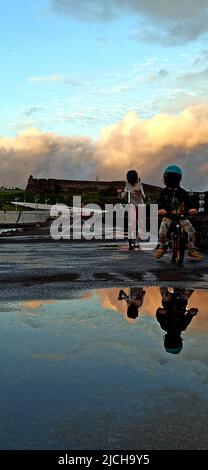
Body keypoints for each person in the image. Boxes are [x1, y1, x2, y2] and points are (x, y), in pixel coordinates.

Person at [154, 165, 203, 260]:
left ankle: (191, 250)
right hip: (168, 216)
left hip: (181, 216)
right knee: (162, 233)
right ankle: (163, 247)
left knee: (191, 231)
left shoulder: (183, 192)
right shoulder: (163, 192)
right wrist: (160, 209)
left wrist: (192, 209)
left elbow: (189, 203)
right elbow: (159, 203)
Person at [156, 287, 198, 354]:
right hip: (180, 303)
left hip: (169, 303)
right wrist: (192, 312)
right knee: (187, 290)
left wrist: (161, 312)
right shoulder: (181, 327)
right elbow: (189, 316)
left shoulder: (166, 326)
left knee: (165, 294)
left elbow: (159, 315)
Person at [117, 170, 146, 250]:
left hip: (140, 205)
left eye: (133, 181)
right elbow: (122, 197)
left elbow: (144, 197)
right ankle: (131, 237)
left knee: (140, 222)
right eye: (130, 182)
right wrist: (119, 193)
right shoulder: (128, 185)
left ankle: (138, 237)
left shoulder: (140, 185)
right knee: (131, 221)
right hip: (132, 205)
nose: (132, 183)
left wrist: (140, 193)